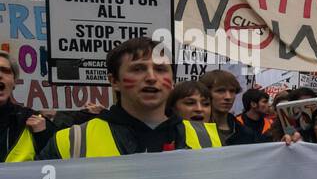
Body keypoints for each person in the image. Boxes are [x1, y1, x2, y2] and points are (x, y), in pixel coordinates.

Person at [40, 36, 223, 159]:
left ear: (173, 81)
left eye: (160, 69)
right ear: (114, 81)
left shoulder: (208, 139)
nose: (151, 77)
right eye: (138, 69)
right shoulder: (71, 142)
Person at [1, 51, 53, 162]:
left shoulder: (32, 119)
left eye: (5, 71)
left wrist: (43, 135)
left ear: (14, 82)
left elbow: (55, 167)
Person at [198, 70, 265, 145]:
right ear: (205, 93)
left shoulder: (246, 133)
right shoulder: (191, 130)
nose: (228, 97)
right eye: (220, 91)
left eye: (232, 91)